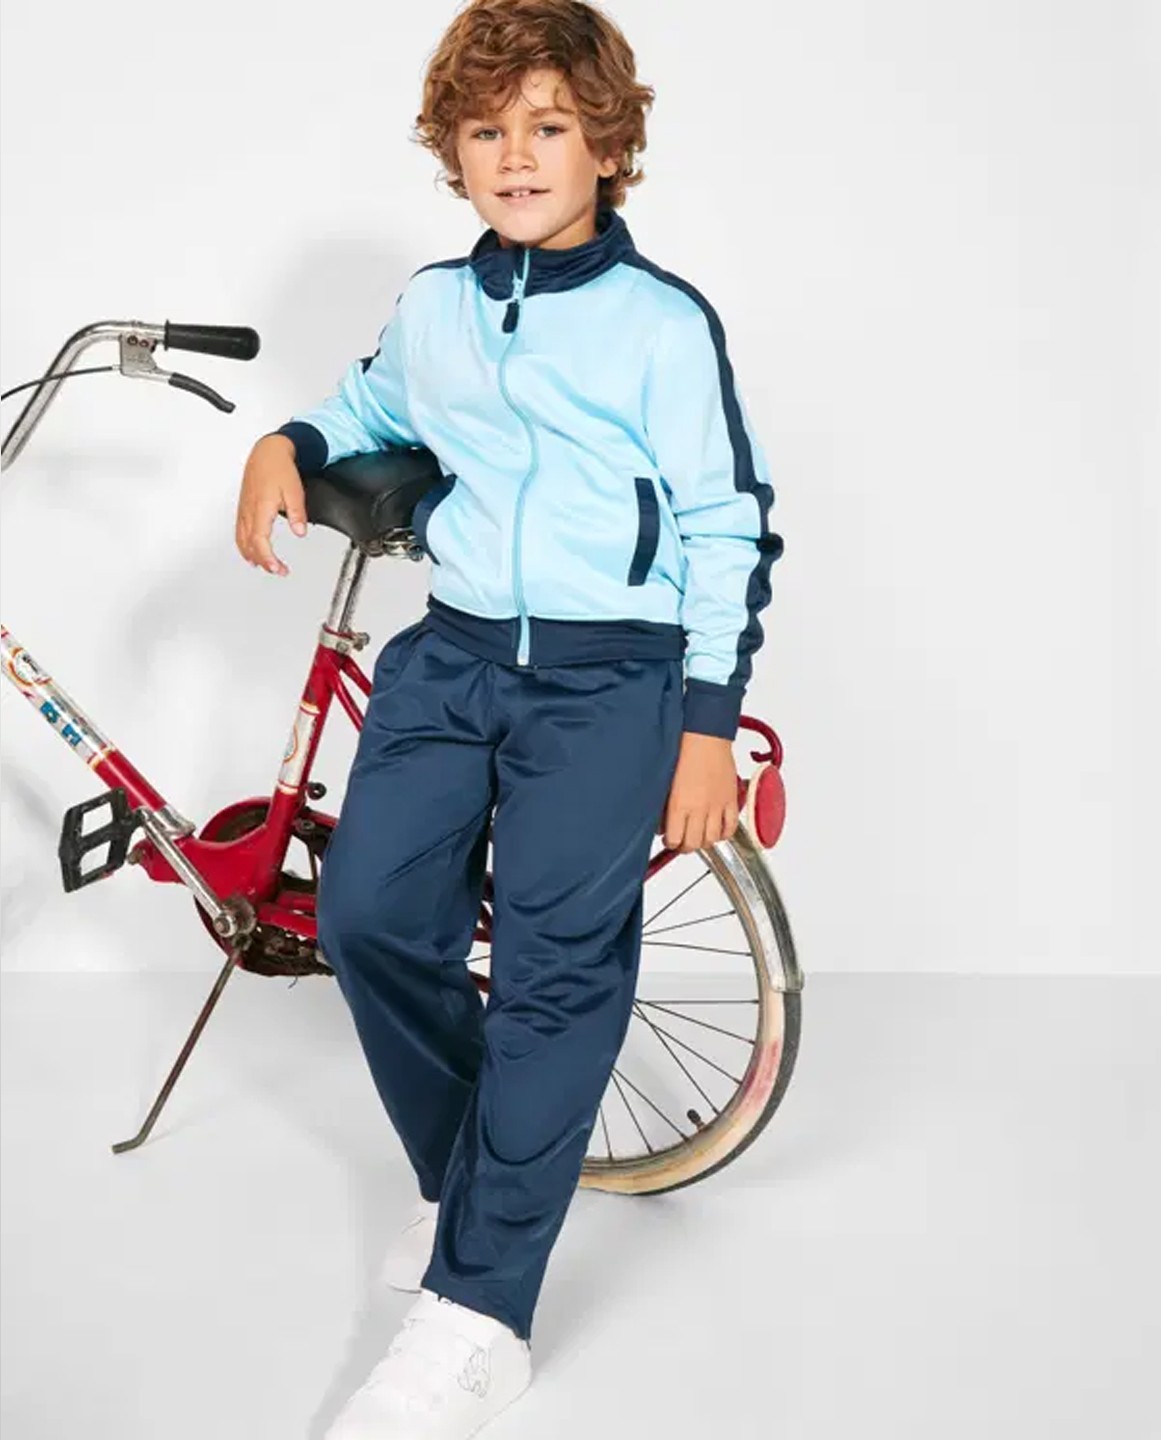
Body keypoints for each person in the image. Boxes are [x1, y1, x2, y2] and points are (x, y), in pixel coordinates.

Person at [233, 1, 782, 1434]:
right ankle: (478, 1183)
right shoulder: (437, 306)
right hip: (457, 655)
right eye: (487, 131)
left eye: (549, 126)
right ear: (453, 152)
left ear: (607, 144)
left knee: (552, 973)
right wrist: (288, 441)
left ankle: (479, 1316)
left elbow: (727, 523)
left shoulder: (662, 324)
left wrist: (708, 722)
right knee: (366, 915)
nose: (518, 155)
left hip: (612, 678)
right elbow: (370, 402)